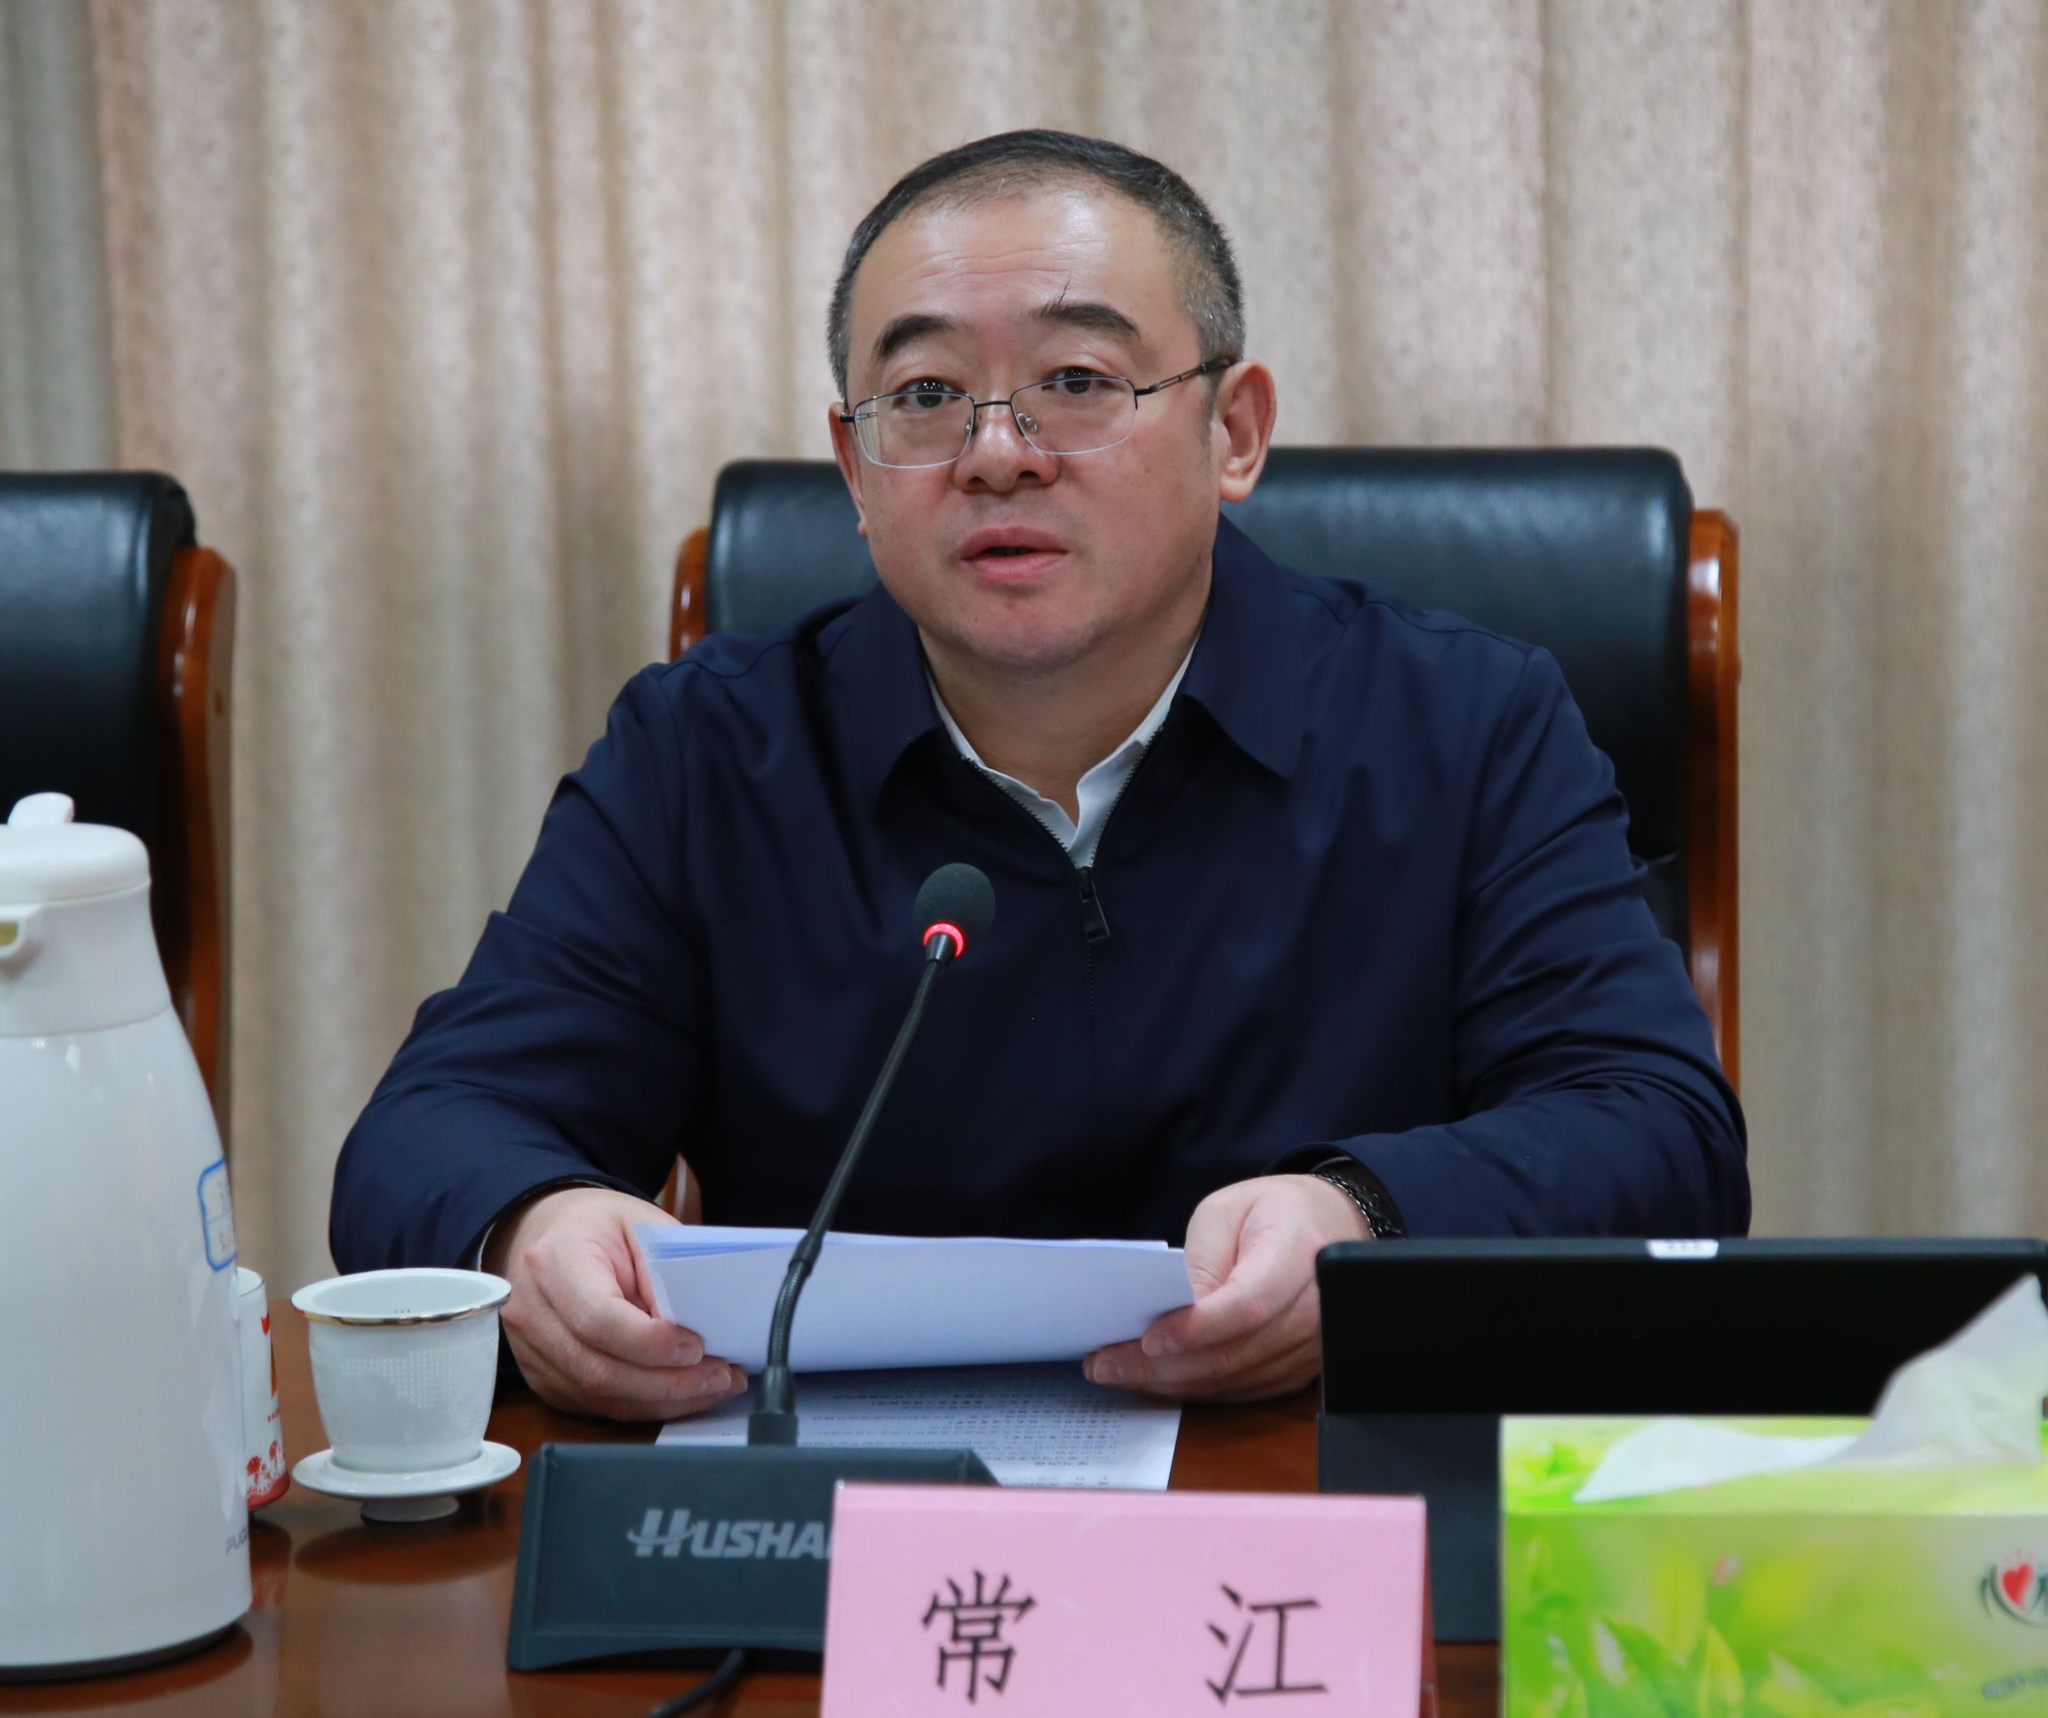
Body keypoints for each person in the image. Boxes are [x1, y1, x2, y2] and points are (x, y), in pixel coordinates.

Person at [331, 129, 1748, 1423]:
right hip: (849, 1523)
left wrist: (1365, 1220)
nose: (997, 456)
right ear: (855, 467)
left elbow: (1657, 1129)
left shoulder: (1464, 722)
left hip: (1320, 1493)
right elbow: (431, 1131)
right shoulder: (709, 756)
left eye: (1077, 382)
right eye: (926, 396)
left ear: (1234, 431)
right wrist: (532, 1226)